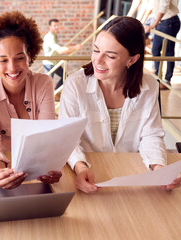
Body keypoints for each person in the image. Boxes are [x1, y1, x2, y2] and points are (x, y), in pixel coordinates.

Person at [59, 16, 181, 193]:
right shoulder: (75, 85)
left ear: (131, 60)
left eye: (110, 56)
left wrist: (158, 169)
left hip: (131, 174)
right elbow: (68, 138)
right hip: (89, 169)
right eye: (96, 50)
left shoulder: (149, 86)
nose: (98, 61)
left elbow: (151, 136)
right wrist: (81, 167)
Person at [0, 11, 62, 189]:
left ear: (29, 55)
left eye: (19, 58)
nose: (12, 68)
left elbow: (46, 137)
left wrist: (49, 168)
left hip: (31, 160)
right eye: (3, 60)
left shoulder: (44, 83)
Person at [144, 0, 180, 89]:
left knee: (168, 52)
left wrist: (153, 25)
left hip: (169, 22)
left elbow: (164, 7)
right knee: (155, 50)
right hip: (161, 22)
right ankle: (157, 77)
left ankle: (167, 80)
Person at [42, 19, 82, 89]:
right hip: (49, 63)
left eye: (58, 25)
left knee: (65, 77)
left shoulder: (53, 36)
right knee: (48, 84)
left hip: (53, 62)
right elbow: (60, 51)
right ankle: (51, 96)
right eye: (55, 26)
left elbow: (54, 52)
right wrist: (75, 47)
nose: (57, 27)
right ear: (49, 27)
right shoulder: (50, 37)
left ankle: (55, 94)